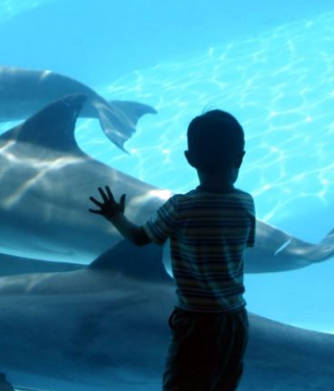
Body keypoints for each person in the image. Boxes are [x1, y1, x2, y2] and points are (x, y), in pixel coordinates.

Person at [89, 109, 255, 391]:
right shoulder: (246, 203)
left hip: (195, 320)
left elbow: (141, 238)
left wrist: (115, 216)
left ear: (190, 159)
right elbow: (243, 245)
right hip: (235, 319)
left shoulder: (180, 207)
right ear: (240, 157)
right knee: (224, 383)